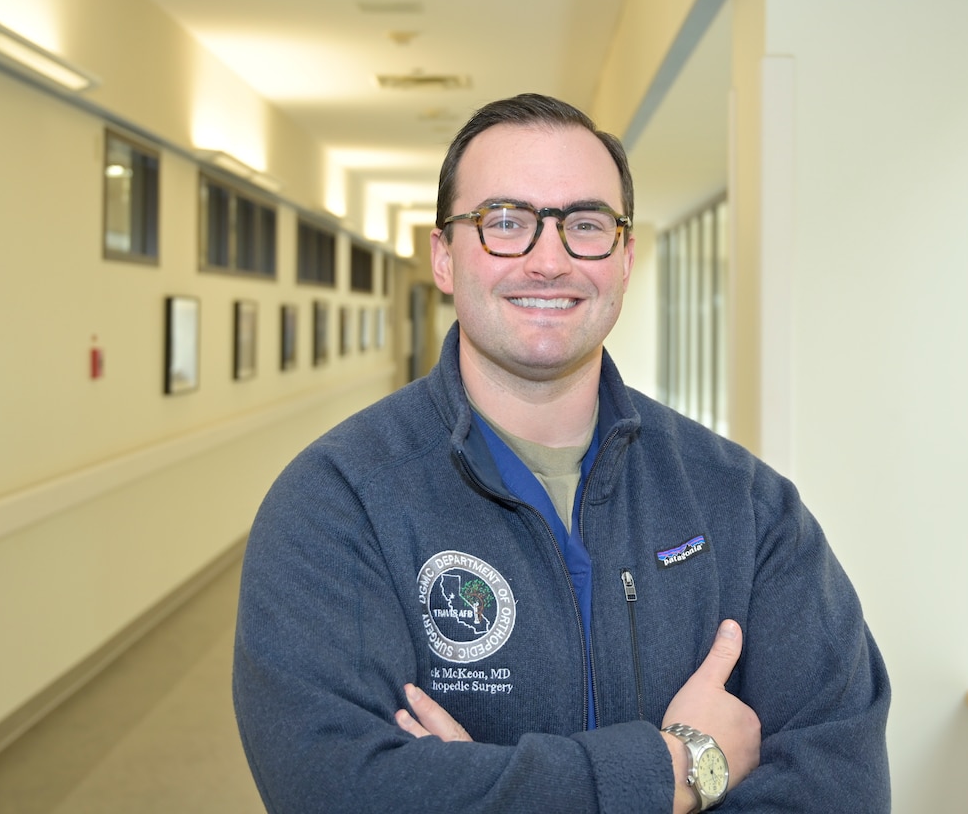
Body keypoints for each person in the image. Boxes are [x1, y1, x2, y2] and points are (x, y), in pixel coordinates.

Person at [233, 94, 889, 813]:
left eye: (585, 225)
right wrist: (681, 771)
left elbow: (840, 785)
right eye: (506, 222)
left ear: (625, 259)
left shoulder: (748, 508)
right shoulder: (337, 504)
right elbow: (337, 791)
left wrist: (485, 789)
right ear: (444, 257)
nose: (549, 260)